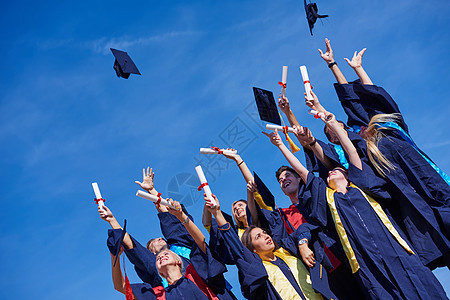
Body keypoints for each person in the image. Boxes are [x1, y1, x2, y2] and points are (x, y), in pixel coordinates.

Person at [265, 111, 448, 299]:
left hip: (393, 247)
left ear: (347, 174)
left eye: (336, 170)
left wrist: (334, 125)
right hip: (365, 258)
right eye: (329, 174)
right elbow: (302, 171)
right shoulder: (328, 198)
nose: (330, 173)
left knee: (420, 287)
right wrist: (280, 145)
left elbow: (351, 151)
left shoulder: (360, 184)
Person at [315, 39, 450, 269]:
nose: (336, 127)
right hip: (408, 197)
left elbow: (364, 99)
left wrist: (342, 66)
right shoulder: (355, 148)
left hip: (428, 179)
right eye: (331, 131)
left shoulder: (372, 127)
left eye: (338, 124)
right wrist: (319, 110)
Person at [205, 193, 332, 300]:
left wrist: (303, 244)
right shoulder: (258, 269)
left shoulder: (286, 249)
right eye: (258, 237)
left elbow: (304, 228)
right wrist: (217, 213)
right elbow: (236, 247)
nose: (265, 236)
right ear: (252, 249)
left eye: (264, 233)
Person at [100, 200, 235, 300]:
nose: (161, 256)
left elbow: (199, 240)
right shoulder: (158, 293)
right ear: (157, 268)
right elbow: (121, 285)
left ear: (178, 261)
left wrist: (180, 215)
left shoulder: (196, 273)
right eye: (158, 257)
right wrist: (114, 255)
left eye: (166, 253)